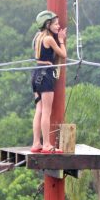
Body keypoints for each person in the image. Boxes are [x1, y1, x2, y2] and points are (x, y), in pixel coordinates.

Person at [30, 10, 67, 153]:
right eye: (55, 24)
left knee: (39, 110)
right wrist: (61, 40)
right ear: (47, 24)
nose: (58, 26)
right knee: (46, 111)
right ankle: (46, 144)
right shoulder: (49, 39)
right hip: (46, 75)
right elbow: (63, 55)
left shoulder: (37, 37)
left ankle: (36, 143)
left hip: (36, 74)